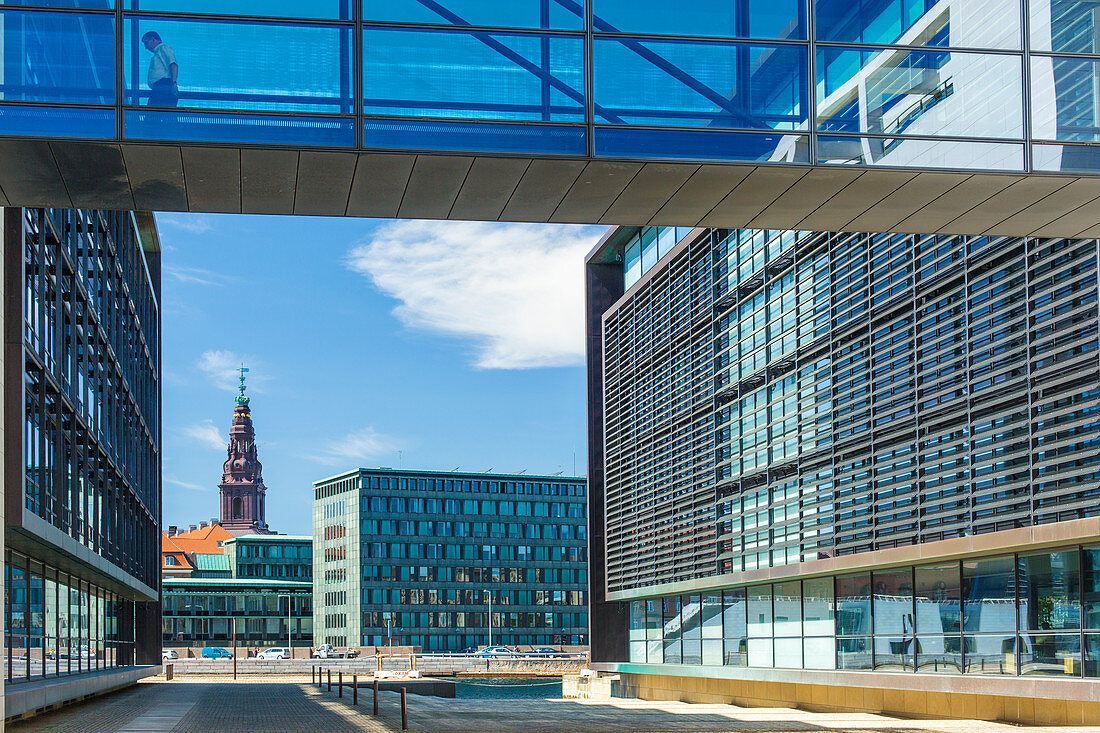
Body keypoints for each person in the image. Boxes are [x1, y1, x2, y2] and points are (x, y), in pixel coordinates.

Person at [141, 31, 179, 107]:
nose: (146, 47)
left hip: (163, 85)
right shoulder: (159, 52)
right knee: (162, 113)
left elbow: (173, 64)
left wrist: (174, 83)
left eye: (146, 43)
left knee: (153, 114)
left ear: (153, 40)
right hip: (160, 87)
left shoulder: (163, 48)